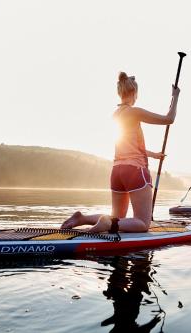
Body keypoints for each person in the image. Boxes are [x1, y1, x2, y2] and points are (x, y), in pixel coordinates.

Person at [61, 72, 180, 233]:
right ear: (134, 93)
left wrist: (152, 154)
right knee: (143, 223)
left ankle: (83, 218)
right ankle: (107, 225)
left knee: (117, 216)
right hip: (135, 171)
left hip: (117, 171)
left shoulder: (116, 115)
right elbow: (169, 119)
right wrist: (175, 96)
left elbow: (128, 145)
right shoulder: (134, 111)